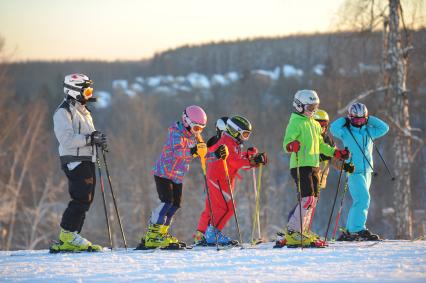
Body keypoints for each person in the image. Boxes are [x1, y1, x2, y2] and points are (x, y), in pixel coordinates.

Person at [136, 105, 226, 249]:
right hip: (164, 172)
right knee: (167, 202)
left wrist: (215, 155)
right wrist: (194, 150)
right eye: (196, 128)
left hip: (177, 175)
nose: (199, 132)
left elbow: (201, 154)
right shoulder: (175, 133)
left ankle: (162, 233)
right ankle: (152, 234)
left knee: (175, 204)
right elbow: (179, 152)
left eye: (201, 129)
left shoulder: (194, 136)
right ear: (186, 121)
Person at [281, 90, 350, 248]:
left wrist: (336, 152)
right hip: (300, 164)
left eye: (315, 107)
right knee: (307, 199)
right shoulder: (295, 122)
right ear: (299, 106)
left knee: (313, 199)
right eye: (310, 107)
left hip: (313, 165)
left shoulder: (313, 123)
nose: (313, 111)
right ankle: (293, 232)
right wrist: (292, 145)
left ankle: (303, 230)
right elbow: (286, 143)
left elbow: (321, 145)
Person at [50, 74, 107, 252]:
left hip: (86, 158)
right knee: (81, 197)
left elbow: (88, 135)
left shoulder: (83, 110)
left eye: (91, 90)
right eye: (87, 91)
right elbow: (66, 140)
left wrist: (97, 139)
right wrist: (90, 139)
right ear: (74, 91)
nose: (90, 95)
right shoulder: (63, 112)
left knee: (87, 199)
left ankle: (72, 235)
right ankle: (67, 234)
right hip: (74, 160)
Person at [194, 115, 267, 246]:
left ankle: (209, 233)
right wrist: (252, 161)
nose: (246, 138)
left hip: (224, 178)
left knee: (225, 207)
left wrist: (251, 157)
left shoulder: (233, 142)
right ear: (235, 131)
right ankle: (211, 234)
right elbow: (235, 162)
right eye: (244, 134)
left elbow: (237, 158)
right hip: (218, 178)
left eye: (248, 135)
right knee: (226, 207)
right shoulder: (226, 142)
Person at [330, 102, 389, 241]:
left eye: (362, 119)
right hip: (353, 171)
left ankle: (351, 231)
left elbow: (384, 128)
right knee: (363, 198)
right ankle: (358, 229)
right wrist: (344, 120)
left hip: (367, 171)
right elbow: (333, 128)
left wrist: (369, 119)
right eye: (356, 119)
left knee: (360, 200)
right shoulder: (345, 131)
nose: (359, 122)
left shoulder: (369, 130)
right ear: (350, 118)